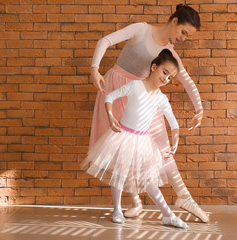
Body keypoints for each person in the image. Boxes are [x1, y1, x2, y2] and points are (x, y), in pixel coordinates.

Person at [89, 4, 209, 222]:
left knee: (163, 148)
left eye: (187, 36)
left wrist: (199, 109)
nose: (183, 38)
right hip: (118, 89)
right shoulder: (141, 30)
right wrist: (94, 69)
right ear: (174, 21)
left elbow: (187, 81)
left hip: (145, 97)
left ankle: (184, 197)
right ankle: (135, 201)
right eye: (183, 32)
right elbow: (105, 40)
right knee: (123, 151)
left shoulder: (169, 54)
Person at [82, 50, 188, 228]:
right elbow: (109, 96)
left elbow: (174, 123)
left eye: (170, 77)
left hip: (143, 142)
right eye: (164, 72)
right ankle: (117, 210)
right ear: (154, 67)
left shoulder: (161, 98)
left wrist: (175, 143)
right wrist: (110, 117)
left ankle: (168, 214)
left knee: (149, 181)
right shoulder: (135, 86)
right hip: (123, 136)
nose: (166, 79)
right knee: (119, 174)